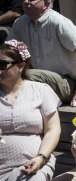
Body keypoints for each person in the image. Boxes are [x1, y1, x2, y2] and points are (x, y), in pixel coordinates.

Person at [8, 0, 76, 106]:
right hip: (39, 81)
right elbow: (9, 51)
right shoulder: (20, 23)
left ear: (46, 3)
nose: (26, 1)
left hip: (68, 83)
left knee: (27, 75)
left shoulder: (58, 22)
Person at [0, 40, 61, 181]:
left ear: (21, 65)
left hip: (31, 165)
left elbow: (53, 130)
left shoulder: (40, 90)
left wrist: (41, 157)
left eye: (2, 65)